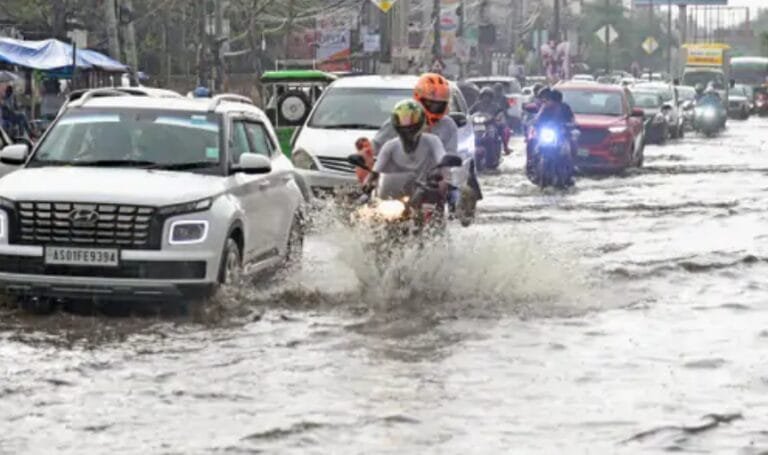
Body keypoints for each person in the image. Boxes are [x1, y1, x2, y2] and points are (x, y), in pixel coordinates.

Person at [363, 100, 446, 196]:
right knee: (365, 203)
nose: (407, 125)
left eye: (412, 118)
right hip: (396, 193)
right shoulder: (390, 146)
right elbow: (376, 171)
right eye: (402, 119)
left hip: (426, 190)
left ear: (421, 120)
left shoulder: (433, 141)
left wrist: (439, 172)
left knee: (443, 194)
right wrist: (368, 182)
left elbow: (442, 159)